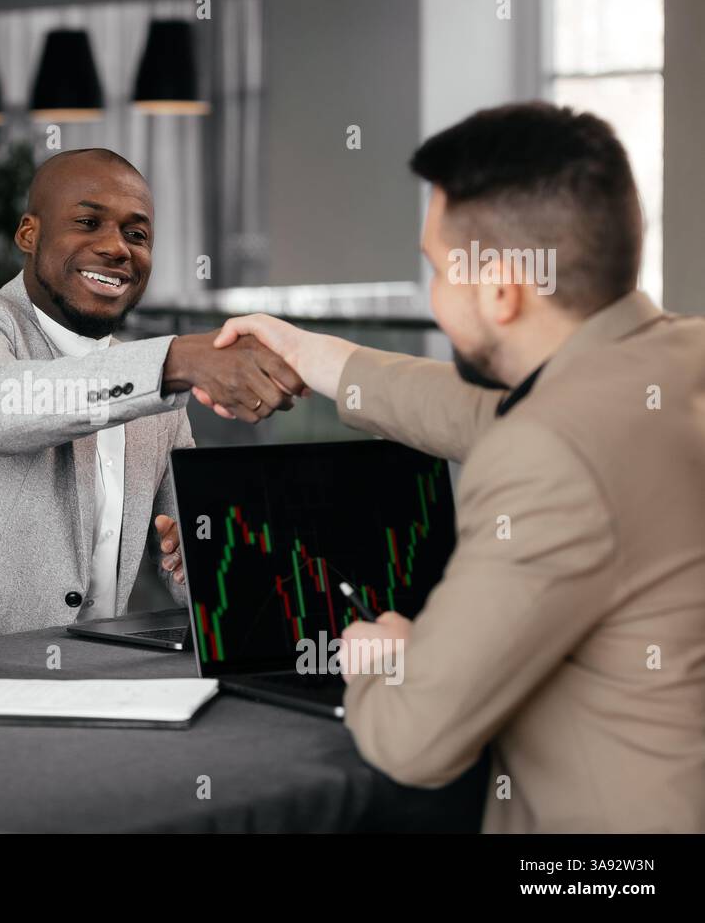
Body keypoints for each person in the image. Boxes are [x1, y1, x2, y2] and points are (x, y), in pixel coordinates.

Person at [206, 102, 705, 832]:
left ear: (501, 289)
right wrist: (316, 358)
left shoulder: (548, 453)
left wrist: (392, 653)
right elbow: (496, 413)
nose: (434, 294)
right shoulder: (674, 362)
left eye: (439, 269)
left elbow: (415, 740)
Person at [0, 148, 303, 642]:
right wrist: (174, 361)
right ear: (29, 233)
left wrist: (200, 555)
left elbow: (189, 565)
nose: (117, 248)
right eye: (88, 222)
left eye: (137, 235)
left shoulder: (153, 386)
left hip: (103, 667)